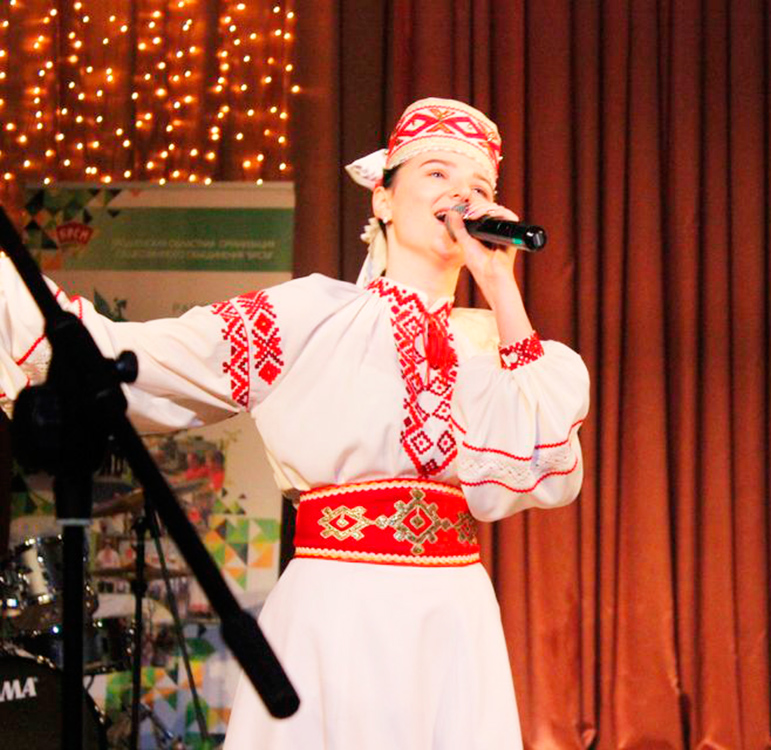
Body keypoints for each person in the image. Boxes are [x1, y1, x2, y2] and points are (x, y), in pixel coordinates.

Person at [0, 97, 589, 748]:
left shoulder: (489, 344)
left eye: (479, 186)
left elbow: (547, 470)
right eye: (437, 173)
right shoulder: (310, 316)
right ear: (383, 199)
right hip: (338, 604)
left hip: (452, 612)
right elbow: (138, 359)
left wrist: (500, 284)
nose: (462, 195)